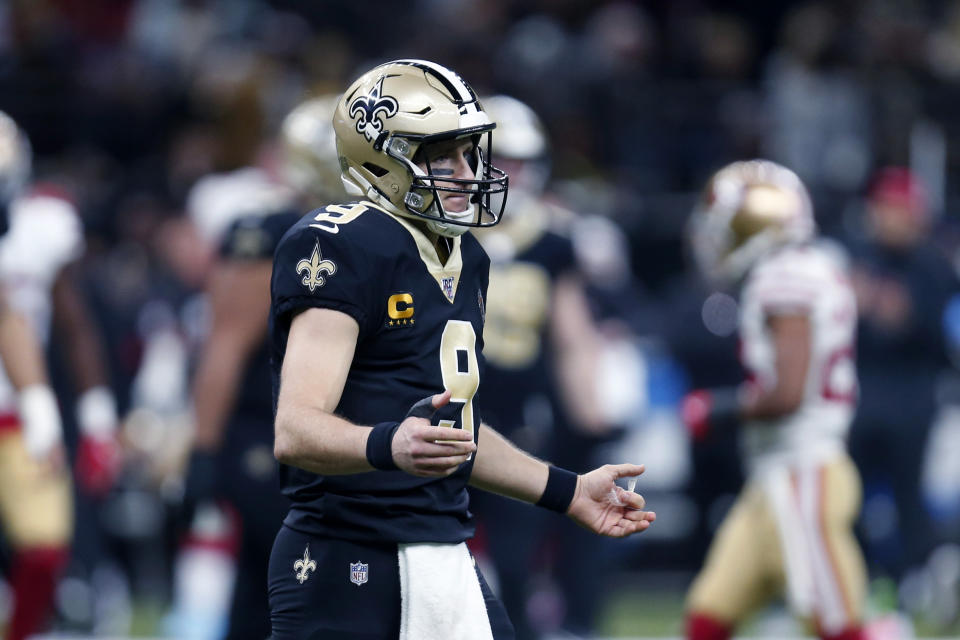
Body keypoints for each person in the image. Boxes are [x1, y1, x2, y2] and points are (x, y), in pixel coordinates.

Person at [266, 59, 655, 639]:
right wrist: (385, 443)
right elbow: (295, 430)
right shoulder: (341, 243)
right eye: (441, 155)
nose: (465, 172)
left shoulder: (466, 256)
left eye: (470, 153)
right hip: (346, 552)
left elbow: (455, 437)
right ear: (382, 156)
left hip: (443, 552)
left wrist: (568, 490)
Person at [681, 159, 867, 640]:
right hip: (775, 475)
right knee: (708, 614)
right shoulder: (811, 265)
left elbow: (787, 393)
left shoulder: (785, 276)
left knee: (838, 626)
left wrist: (716, 408)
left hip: (805, 470)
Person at [180, 94, 343, 640]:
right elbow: (225, 343)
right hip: (267, 431)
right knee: (301, 585)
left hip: (328, 432)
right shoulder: (269, 231)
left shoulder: (364, 231)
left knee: (266, 591)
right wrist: (202, 448)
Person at [469, 94, 620, 639]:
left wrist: (592, 413)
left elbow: (573, 337)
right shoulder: (441, 231)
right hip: (444, 412)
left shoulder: (552, 241)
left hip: (518, 418)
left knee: (516, 560)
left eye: (522, 160)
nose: (513, 173)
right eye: (502, 158)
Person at [0, 110, 117, 640]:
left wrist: (88, 416)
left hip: (15, 414)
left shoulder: (42, 226)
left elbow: (49, 325)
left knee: (47, 547)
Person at [845, 168, 956, 588]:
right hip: (862, 395)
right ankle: (856, 581)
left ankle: (916, 580)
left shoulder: (932, 265)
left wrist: (892, 309)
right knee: (846, 498)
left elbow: (929, 330)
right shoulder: (857, 255)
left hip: (912, 396)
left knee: (909, 497)